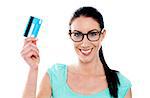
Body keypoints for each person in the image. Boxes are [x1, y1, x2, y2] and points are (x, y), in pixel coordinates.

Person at [21, 6, 132, 98]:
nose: (84, 43)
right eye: (77, 34)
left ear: (102, 35)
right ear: (70, 35)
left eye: (92, 34)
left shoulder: (121, 85)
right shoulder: (55, 76)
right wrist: (33, 69)